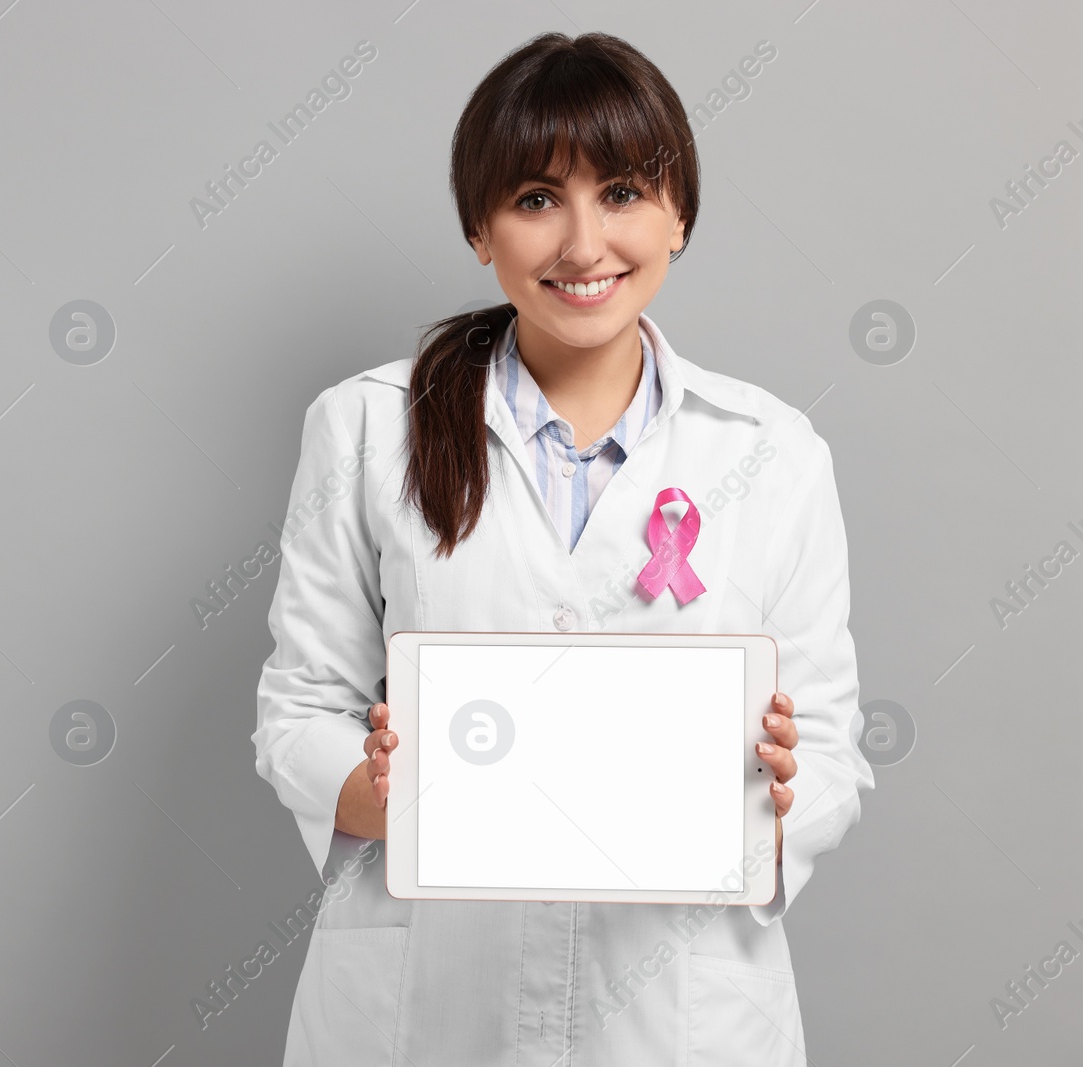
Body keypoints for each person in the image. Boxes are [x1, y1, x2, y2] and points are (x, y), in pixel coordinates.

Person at [253, 31, 874, 1066]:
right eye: (537, 199)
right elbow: (297, 716)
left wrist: (770, 790)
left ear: (678, 212)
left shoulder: (772, 454)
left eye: (623, 191)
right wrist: (395, 788)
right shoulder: (363, 430)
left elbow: (830, 757)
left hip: (676, 1015)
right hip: (430, 1005)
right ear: (478, 227)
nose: (584, 245)